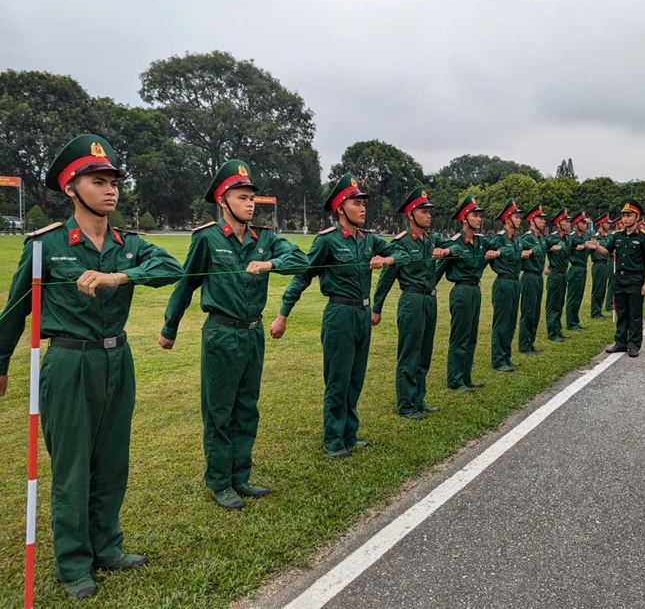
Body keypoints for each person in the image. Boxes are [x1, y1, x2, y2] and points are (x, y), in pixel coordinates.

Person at [0, 135, 182, 599]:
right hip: (68, 362)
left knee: (112, 462)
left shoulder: (130, 245)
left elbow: (172, 271)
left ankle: (108, 547)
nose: (110, 191)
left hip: (117, 359)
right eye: (97, 181)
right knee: (73, 467)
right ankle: (74, 563)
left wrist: (119, 275)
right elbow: (16, 309)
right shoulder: (47, 245)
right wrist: (0, 363)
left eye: (113, 182)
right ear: (70, 188)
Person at [159, 160, 308, 511]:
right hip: (221, 334)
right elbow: (186, 283)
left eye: (252, 198)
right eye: (242, 198)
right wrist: (170, 327)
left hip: (253, 334)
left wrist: (271, 263)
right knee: (219, 411)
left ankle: (241, 475)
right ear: (223, 201)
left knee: (246, 408)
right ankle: (219, 481)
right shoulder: (207, 239)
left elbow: (301, 260)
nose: (250, 204)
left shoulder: (265, 238)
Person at [270, 174, 408, 457]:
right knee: (338, 379)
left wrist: (387, 258)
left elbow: (404, 252)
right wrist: (283, 314)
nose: (363, 208)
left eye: (363, 204)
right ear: (340, 208)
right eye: (356, 203)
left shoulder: (370, 240)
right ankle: (333, 439)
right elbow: (303, 277)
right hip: (339, 314)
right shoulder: (327, 242)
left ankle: (349, 434)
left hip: (362, 313)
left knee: (356, 378)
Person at [372, 187, 452, 420]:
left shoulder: (432, 239)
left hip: (430, 299)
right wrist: (376, 308)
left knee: (424, 352)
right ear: (411, 214)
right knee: (410, 353)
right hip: (412, 299)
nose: (429, 215)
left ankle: (419, 398)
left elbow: (456, 246)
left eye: (430, 211)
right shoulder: (401, 243)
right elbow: (386, 277)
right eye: (424, 211)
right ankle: (406, 404)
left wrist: (445, 249)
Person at [437, 195, 499, 392]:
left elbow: (502, 246)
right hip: (461, 291)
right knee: (460, 336)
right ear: (464, 219)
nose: (479, 219)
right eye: (475, 215)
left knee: (471, 336)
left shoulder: (481, 242)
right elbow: (439, 268)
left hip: (475, 289)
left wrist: (495, 253)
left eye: (480, 216)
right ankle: (455, 379)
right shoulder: (455, 242)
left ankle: (466, 376)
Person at [585, 201, 645, 358]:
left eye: (629, 215)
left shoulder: (644, 237)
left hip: (636, 279)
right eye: (623, 216)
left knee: (634, 313)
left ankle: (634, 344)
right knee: (621, 311)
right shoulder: (617, 236)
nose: (625, 219)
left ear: (637, 217)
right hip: (620, 279)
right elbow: (605, 250)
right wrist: (596, 247)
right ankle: (621, 342)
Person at [489, 199, 532, 372]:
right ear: (507, 219)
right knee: (502, 322)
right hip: (504, 282)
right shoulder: (498, 239)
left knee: (511, 321)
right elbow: (487, 253)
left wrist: (530, 252)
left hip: (515, 281)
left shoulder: (517, 240)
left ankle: (506, 356)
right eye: (516, 216)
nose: (519, 219)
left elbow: (533, 248)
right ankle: (498, 359)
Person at [518, 204, 548, 353]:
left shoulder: (541, 239)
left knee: (535, 312)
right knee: (528, 311)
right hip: (529, 277)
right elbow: (522, 251)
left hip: (538, 277)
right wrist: (531, 250)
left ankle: (531, 343)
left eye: (543, 219)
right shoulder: (526, 238)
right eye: (540, 219)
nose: (544, 222)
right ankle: (524, 345)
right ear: (531, 220)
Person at [544, 208, 572, 341]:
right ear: (558, 223)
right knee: (553, 304)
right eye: (566, 222)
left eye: (568, 222)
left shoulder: (567, 237)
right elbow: (544, 248)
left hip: (563, 274)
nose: (568, 224)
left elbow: (565, 254)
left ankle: (558, 329)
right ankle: (552, 332)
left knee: (560, 303)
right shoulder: (552, 238)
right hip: (555, 275)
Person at [565, 211, 590, 331]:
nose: (585, 225)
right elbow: (566, 252)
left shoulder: (585, 237)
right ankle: (571, 322)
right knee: (573, 296)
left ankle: (575, 320)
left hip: (583, 268)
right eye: (582, 223)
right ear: (576, 224)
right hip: (575, 268)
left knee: (579, 296)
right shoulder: (572, 237)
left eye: (586, 223)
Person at [589, 214, 612, 319]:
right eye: (607, 223)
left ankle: (598, 310)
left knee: (602, 289)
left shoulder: (605, 236)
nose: (609, 225)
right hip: (598, 264)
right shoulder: (595, 237)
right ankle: (595, 312)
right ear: (601, 224)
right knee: (598, 289)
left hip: (605, 264)